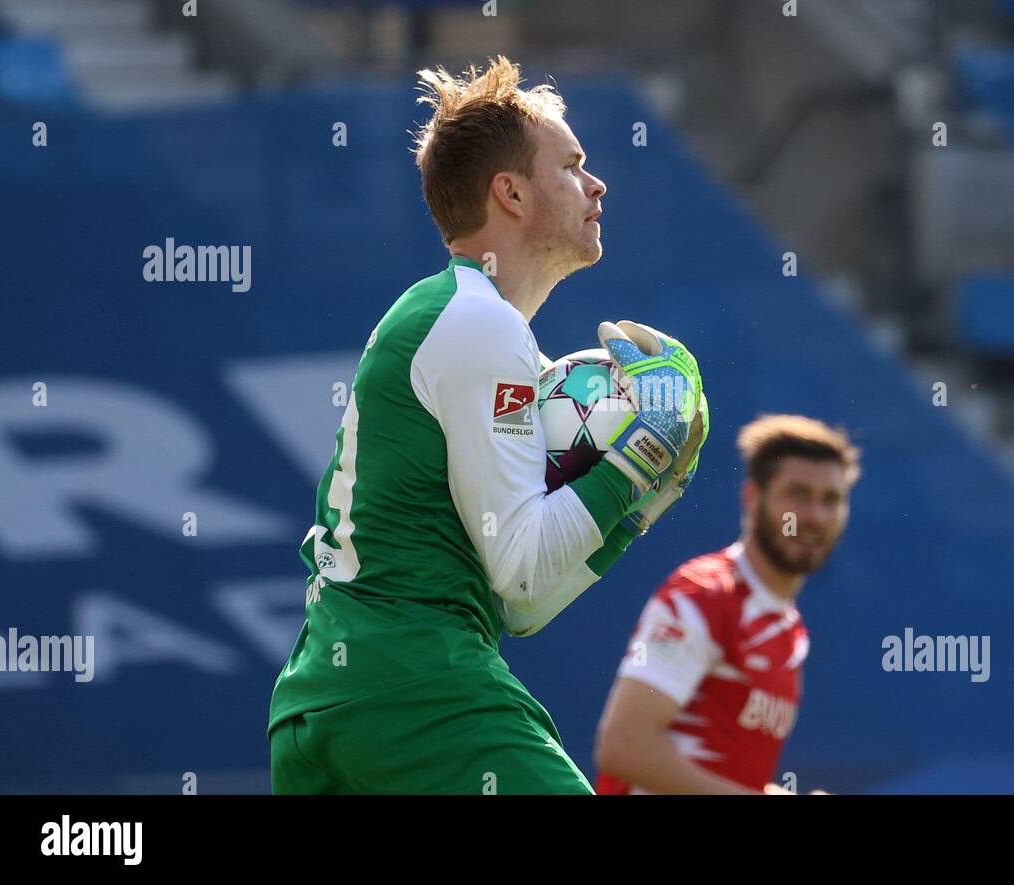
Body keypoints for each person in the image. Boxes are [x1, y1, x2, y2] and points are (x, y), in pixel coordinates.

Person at [269, 56, 706, 794]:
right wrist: (636, 462)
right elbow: (526, 566)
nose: (596, 185)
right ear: (509, 192)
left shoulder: (469, 321)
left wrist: (642, 500)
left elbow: (522, 605)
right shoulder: (479, 324)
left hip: (333, 700)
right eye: (571, 166)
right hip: (416, 688)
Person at [594, 414, 858, 794]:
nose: (815, 516)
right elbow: (624, 746)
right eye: (798, 495)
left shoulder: (789, 629)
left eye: (831, 500)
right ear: (753, 497)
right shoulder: (702, 596)